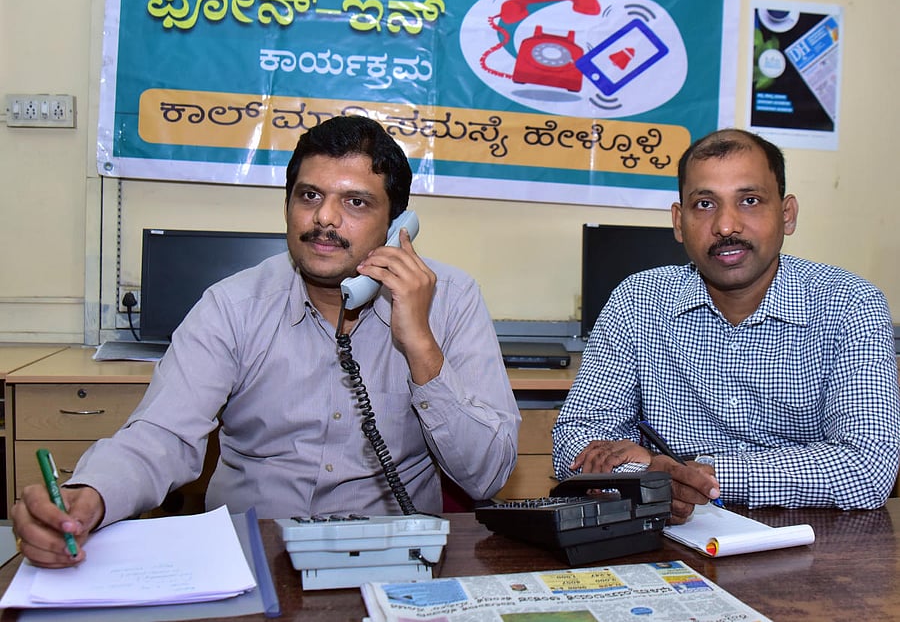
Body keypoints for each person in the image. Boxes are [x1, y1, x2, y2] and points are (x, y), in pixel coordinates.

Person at [13, 115, 521, 567]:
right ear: (287, 206)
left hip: (395, 559)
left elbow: (487, 476)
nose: (324, 218)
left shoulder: (451, 301)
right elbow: (162, 435)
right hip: (248, 557)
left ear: (396, 227)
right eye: (309, 196)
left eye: (356, 202)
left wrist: (420, 345)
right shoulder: (231, 306)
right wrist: (90, 495)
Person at [553, 128, 900, 525]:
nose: (726, 225)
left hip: (808, 543)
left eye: (749, 201)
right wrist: (646, 475)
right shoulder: (638, 301)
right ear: (679, 222)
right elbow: (576, 439)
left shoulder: (850, 304)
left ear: (787, 215)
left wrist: (690, 475)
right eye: (704, 204)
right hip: (668, 538)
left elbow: (867, 468)